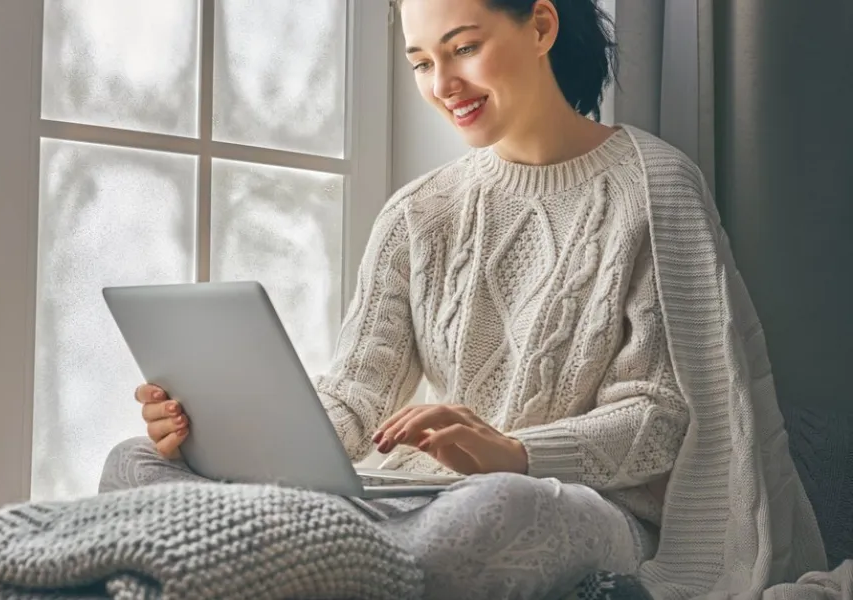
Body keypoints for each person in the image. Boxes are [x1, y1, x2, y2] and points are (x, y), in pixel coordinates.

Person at [99, 0, 831, 598]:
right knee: (134, 462)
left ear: (541, 27)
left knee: (495, 511)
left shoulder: (656, 186)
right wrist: (220, 430)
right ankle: (324, 553)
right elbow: (356, 394)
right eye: (421, 62)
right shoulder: (418, 212)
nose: (441, 81)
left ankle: (303, 556)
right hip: (416, 500)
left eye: (463, 48)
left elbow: (665, 417)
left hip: (574, 507)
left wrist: (515, 451)